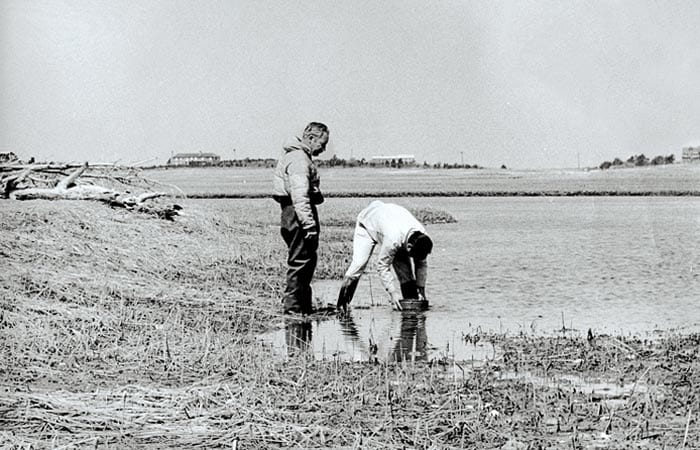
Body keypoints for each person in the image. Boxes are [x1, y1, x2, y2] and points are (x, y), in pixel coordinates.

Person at [272, 122, 329, 315]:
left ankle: (303, 308)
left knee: (306, 260)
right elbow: (300, 196)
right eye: (323, 143)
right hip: (296, 214)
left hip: (293, 212)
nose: (324, 148)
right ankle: (294, 311)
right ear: (311, 138)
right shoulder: (298, 160)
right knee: (300, 262)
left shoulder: (298, 157)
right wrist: (309, 225)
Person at [337, 200, 433, 312]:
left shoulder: (422, 238)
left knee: (406, 275)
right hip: (367, 224)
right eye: (413, 256)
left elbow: (421, 264)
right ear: (409, 247)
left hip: (390, 222)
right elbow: (382, 266)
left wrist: (421, 290)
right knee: (358, 265)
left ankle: (410, 315)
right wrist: (393, 293)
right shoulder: (393, 239)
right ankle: (341, 307)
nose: (415, 259)